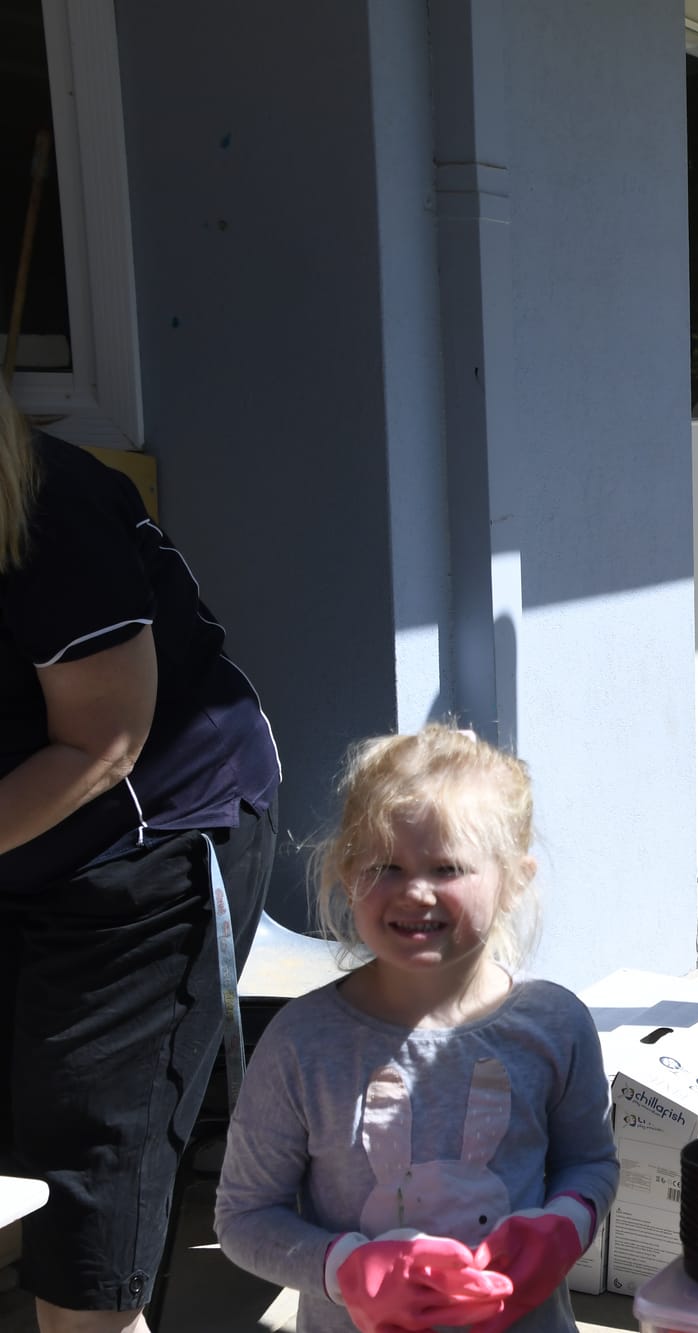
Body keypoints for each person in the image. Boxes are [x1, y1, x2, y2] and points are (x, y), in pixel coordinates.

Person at [0, 382, 280, 1332]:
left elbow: (102, 744)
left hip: (140, 846)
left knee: (88, 1193)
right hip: (18, 850)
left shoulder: (50, 513)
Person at [214, 725, 616, 1333]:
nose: (415, 891)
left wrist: (563, 1225)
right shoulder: (303, 1044)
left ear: (513, 879)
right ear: (347, 872)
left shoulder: (556, 1025)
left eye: (448, 866)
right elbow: (244, 1217)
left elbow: (591, 1163)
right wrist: (345, 1267)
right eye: (386, 866)